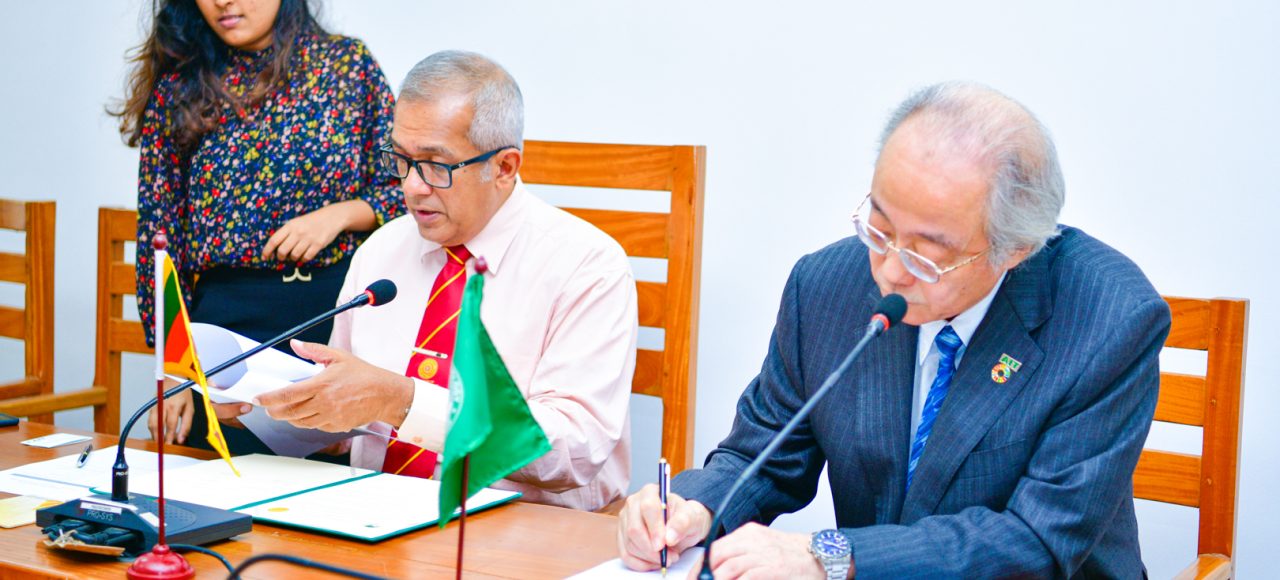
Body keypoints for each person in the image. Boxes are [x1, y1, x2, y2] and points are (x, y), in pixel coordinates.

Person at [618, 82, 1171, 578]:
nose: (890, 271)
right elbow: (764, 453)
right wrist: (693, 508)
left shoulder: (1109, 320)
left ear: (1015, 250)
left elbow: (1036, 541)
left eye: (928, 256)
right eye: (880, 229)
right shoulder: (825, 287)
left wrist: (830, 555)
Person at [251, 50, 638, 511]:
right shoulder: (381, 249)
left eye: (437, 165)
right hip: (369, 514)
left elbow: (573, 451)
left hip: (521, 526)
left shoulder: (586, 266)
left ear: (504, 167)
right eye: (401, 159)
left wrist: (403, 402)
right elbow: (347, 429)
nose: (412, 187)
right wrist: (265, 407)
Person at [111, 0, 402, 451]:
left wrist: (341, 214)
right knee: (214, 485)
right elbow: (160, 239)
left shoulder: (348, 66)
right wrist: (173, 367)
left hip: (332, 322)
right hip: (223, 335)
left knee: (331, 484)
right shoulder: (180, 85)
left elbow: (407, 189)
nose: (222, 2)